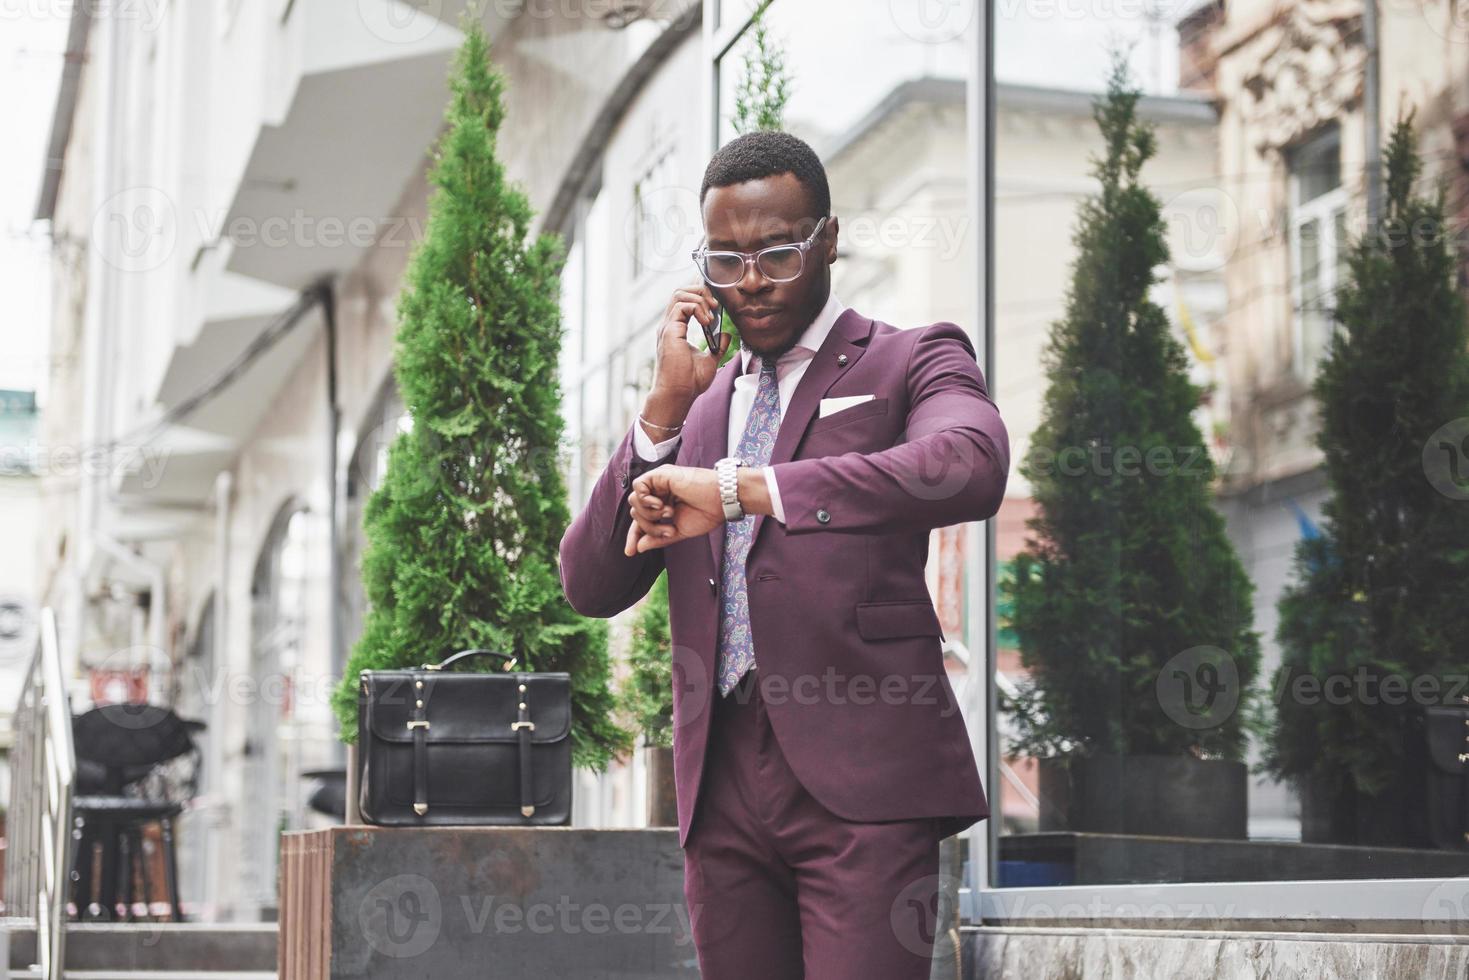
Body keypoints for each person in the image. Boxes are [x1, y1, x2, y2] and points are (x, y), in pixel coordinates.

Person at [558, 130, 1009, 979]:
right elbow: (589, 582)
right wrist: (657, 416)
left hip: (863, 786)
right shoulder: (696, 408)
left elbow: (968, 467)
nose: (752, 280)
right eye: (725, 261)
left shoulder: (908, 358)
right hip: (720, 782)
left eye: (777, 252)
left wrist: (742, 490)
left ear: (828, 240)